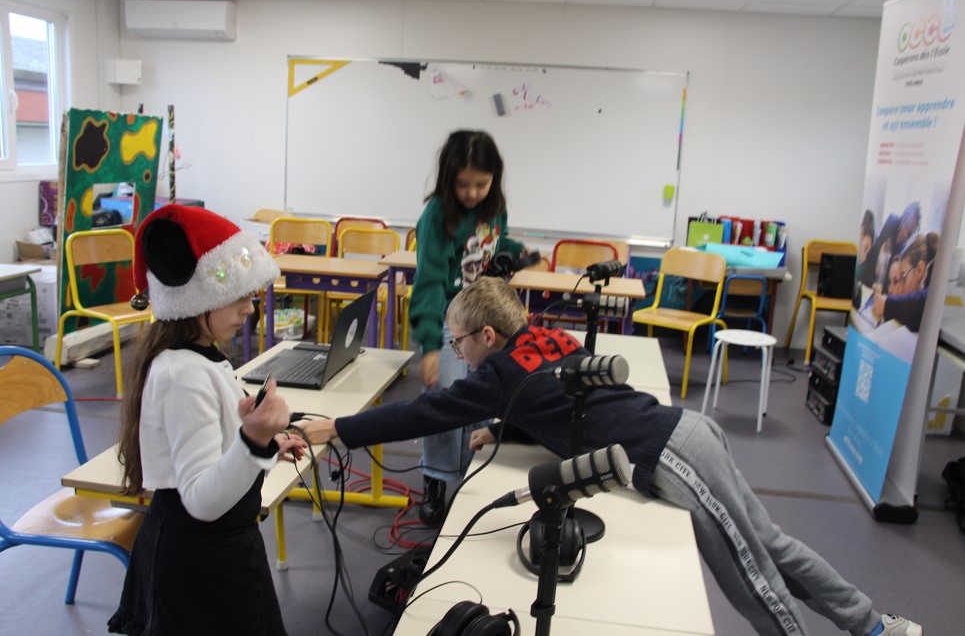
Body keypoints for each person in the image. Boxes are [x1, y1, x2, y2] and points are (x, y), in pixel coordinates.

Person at [297, 277, 922, 636]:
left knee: (749, 576)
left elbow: (423, 412)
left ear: (486, 336)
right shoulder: (548, 338)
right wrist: (505, 428)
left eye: (459, 343)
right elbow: (553, 398)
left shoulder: (497, 376)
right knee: (771, 546)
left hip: (670, 455)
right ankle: (874, 625)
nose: (459, 354)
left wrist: (340, 429)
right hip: (688, 431)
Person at [108, 204, 307, 636]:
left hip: (216, 550)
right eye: (237, 295)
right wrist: (253, 441)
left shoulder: (199, 358)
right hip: (199, 566)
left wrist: (264, 443)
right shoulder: (182, 374)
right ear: (195, 297)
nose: (250, 309)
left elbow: (217, 448)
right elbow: (201, 501)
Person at [407, 130, 529, 526]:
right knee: (445, 397)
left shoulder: (495, 209)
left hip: (484, 317)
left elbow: (490, 248)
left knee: (487, 396)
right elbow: (428, 283)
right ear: (448, 177)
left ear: (494, 178)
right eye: (463, 184)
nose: (473, 192)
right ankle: (436, 480)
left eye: (481, 183)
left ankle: (474, 478)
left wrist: (516, 251)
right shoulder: (436, 217)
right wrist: (430, 346)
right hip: (448, 319)